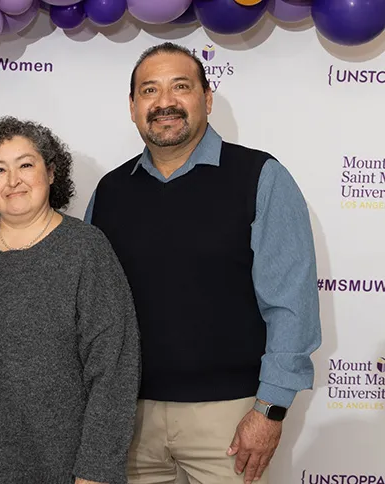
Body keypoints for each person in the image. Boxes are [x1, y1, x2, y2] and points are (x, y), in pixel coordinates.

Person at [84, 42, 322, 484]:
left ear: (207, 99)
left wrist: (269, 410)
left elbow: (291, 304)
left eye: (181, 87)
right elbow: (93, 312)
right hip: (128, 422)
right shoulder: (109, 193)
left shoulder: (260, 177)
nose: (165, 102)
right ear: (133, 107)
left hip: (230, 423)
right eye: (150, 91)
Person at [0, 116, 140, 484]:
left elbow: (114, 369)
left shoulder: (86, 249)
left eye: (26, 165)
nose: (13, 180)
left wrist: (96, 471)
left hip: (62, 465)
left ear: (51, 173)